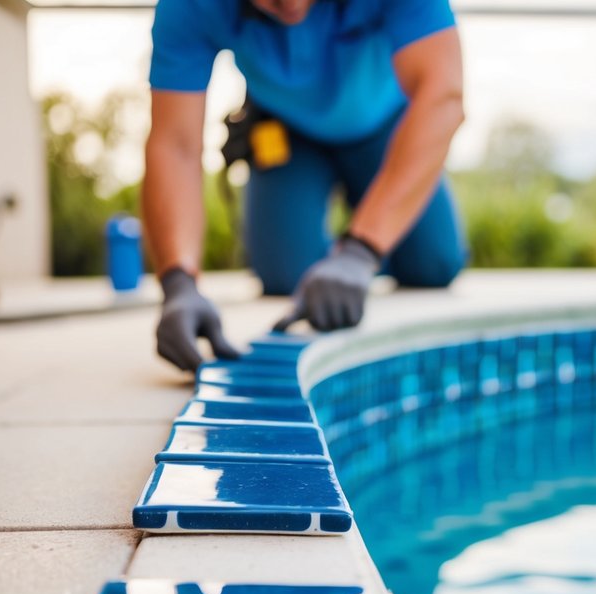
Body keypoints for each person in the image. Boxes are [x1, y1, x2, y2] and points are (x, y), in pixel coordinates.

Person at [144, 0, 467, 372]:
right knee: (285, 277)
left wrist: (360, 252)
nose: (290, 3)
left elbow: (442, 94)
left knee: (433, 266)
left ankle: (354, 258)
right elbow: (175, 145)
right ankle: (339, 263)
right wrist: (178, 281)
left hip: (384, 124)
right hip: (285, 130)